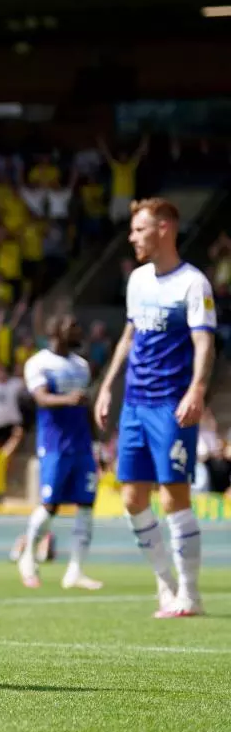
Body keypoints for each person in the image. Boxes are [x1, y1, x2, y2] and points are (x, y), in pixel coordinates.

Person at [94, 197, 217, 618]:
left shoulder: (193, 284)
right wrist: (108, 386)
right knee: (131, 497)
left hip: (170, 403)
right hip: (134, 402)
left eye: (140, 229)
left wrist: (197, 389)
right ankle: (165, 585)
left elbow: (204, 342)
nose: (132, 237)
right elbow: (129, 336)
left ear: (165, 228)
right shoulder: (138, 281)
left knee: (173, 497)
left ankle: (191, 593)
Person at [18, 313, 103, 590]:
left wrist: (97, 441)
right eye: (74, 326)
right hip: (54, 444)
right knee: (50, 505)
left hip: (82, 444)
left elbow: (86, 406)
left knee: (86, 505)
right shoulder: (38, 363)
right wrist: (69, 399)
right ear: (56, 330)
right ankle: (28, 557)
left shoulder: (81, 366)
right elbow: (40, 398)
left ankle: (75, 571)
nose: (80, 331)